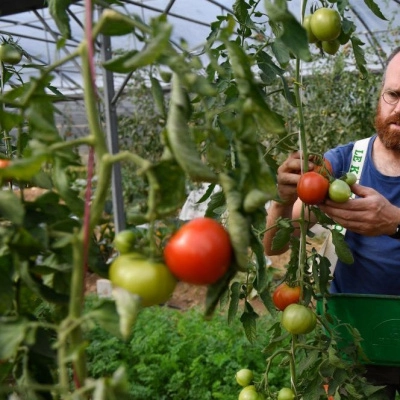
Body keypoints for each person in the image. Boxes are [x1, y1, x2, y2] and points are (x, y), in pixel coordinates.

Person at [263, 46, 400, 399]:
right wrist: (284, 198)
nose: (398, 109)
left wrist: (395, 222)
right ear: (380, 94)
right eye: (393, 95)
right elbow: (276, 244)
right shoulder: (340, 163)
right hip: (355, 345)